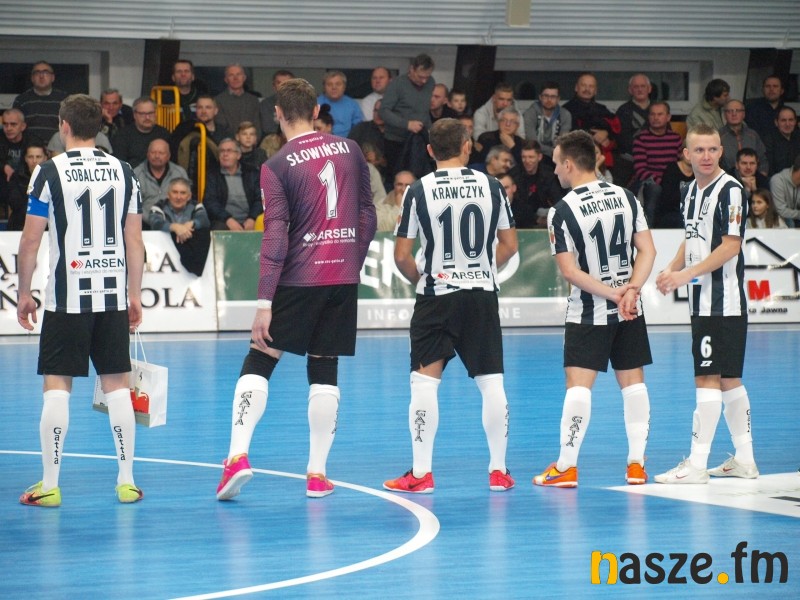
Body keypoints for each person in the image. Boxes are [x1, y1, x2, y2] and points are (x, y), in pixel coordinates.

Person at [215, 78, 376, 501]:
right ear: (317, 112)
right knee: (325, 369)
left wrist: (264, 301)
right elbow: (368, 215)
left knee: (261, 355)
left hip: (299, 277)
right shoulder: (351, 150)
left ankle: (237, 457)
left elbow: (275, 235)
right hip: (341, 277)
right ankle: (317, 474)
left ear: (278, 115)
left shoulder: (277, 164)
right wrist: (351, 263)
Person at [16, 93, 145, 507]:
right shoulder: (125, 172)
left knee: (57, 387)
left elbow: (30, 241)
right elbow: (134, 240)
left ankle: (50, 484)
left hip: (66, 298)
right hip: (111, 298)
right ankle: (127, 481)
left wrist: (23, 292)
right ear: (99, 127)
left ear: (63, 126)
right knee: (118, 387)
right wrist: (134, 294)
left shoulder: (48, 171)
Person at [383, 118, 518, 494]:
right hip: (481, 296)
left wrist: (423, 279)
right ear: (467, 146)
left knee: (424, 384)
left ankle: (421, 473)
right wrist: (481, 270)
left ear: (430, 151)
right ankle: (498, 471)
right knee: (491, 383)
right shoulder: (492, 186)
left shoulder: (418, 190)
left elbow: (402, 255)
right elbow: (510, 246)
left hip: (437, 296)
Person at [533, 129, 656, 488]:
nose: (556, 170)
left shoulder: (561, 211)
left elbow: (570, 272)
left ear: (570, 164)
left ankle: (567, 466)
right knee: (633, 384)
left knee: (578, 386)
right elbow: (648, 250)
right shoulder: (626, 197)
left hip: (589, 311)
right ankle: (636, 465)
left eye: (557, 164)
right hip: (630, 308)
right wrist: (631, 290)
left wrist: (614, 294)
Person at [655, 123, 757, 484]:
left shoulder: (731, 190)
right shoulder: (689, 191)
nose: (707, 156)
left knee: (707, 378)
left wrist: (685, 275)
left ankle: (697, 466)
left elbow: (731, 246)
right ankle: (745, 460)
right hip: (703, 302)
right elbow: (692, 236)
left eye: (713, 149)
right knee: (728, 380)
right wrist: (672, 267)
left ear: (721, 152)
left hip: (721, 303)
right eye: (699, 150)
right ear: (686, 154)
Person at [379, 53, 435, 178]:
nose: (424, 81)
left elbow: (425, 109)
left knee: (420, 175)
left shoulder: (430, 82)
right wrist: (406, 124)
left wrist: (430, 131)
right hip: (396, 140)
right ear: (411, 69)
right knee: (397, 177)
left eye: (427, 77)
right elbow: (383, 111)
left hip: (420, 139)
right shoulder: (397, 84)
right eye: (421, 77)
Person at [632, 101, 683, 226]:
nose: (656, 118)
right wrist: (662, 182)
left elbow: (681, 165)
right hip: (650, 183)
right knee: (655, 189)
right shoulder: (641, 139)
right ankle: (648, 229)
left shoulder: (676, 138)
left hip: (672, 182)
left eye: (660, 114)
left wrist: (670, 184)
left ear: (668, 117)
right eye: (652, 114)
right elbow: (640, 169)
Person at [149, 177, 212, 275]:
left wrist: (190, 224)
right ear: (168, 194)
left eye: (183, 193)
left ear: (189, 196)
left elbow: (204, 220)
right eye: (175, 192)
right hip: (160, 259)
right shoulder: (158, 207)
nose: (178, 197)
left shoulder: (196, 206)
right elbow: (155, 223)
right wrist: (175, 227)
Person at [563, 73, 620, 171]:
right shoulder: (566, 110)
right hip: (577, 159)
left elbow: (617, 129)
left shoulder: (602, 109)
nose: (587, 89)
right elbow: (568, 134)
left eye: (591, 86)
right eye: (583, 85)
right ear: (576, 88)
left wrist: (606, 133)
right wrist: (593, 136)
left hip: (605, 160)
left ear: (595, 91)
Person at [203, 138, 261, 230]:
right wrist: (228, 219)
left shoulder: (252, 173)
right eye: (222, 151)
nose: (225, 154)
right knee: (218, 227)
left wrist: (252, 218)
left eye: (229, 151)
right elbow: (210, 202)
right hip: (224, 221)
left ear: (238, 155)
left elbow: (261, 198)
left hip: (251, 220)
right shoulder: (213, 174)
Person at [133, 138, 189, 228]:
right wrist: (155, 222)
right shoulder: (136, 174)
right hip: (144, 225)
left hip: (176, 224)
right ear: (147, 154)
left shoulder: (179, 173)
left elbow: (187, 200)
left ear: (168, 156)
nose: (157, 156)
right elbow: (133, 205)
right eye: (153, 152)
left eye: (161, 153)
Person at [510, 139, 563, 228]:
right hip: (521, 221)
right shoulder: (514, 175)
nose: (527, 161)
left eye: (531, 157)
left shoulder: (549, 174)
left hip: (547, 219)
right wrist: (535, 218)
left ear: (539, 157)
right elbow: (516, 204)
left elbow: (557, 198)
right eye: (524, 157)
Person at [12, 61, 68, 143]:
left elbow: (70, 127)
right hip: (29, 148)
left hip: (58, 147)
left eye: (45, 72)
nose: (41, 76)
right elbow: (14, 128)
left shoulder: (65, 100)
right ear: (32, 78)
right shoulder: (21, 100)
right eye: (37, 73)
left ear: (53, 77)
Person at [111, 97, 170, 168]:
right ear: (134, 115)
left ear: (156, 114)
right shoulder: (122, 136)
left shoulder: (164, 134)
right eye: (142, 114)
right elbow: (119, 165)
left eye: (151, 113)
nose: (147, 117)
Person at [522, 81, 572, 159]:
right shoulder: (530, 113)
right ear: (540, 97)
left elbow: (562, 142)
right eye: (546, 96)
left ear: (558, 99)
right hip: (535, 155)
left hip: (557, 156)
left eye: (553, 96)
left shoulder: (565, 115)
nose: (549, 99)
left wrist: (556, 152)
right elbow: (532, 142)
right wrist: (551, 151)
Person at [5, 142, 48, 231]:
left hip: (46, 228)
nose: (34, 161)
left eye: (38, 157)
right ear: (25, 158)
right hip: (19, 227)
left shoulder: (53, 178)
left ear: (45, 158)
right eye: (30, 157)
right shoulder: (16, 178)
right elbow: (14, 204)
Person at [719, 99, 768, 174]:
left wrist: (761, 177)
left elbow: (763, 160)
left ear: (744, 114)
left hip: (753, 178)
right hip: (727, 178)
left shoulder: (753, 135)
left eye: (738, 111)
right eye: (730, 111)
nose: (734, 114)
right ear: (725, 115)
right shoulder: (718, 136)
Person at [214, 64, 262, 135]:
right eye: (231, 75)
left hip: (252, 141)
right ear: (226, 80)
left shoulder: (253, 100)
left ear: (244, 78)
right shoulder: (218, 100)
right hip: (228, 141)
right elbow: (221, 127)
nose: (235, 78)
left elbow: (258, 126)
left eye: (238, 74)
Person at [317, 71, 362, 138]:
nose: (334, 87)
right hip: (320, 141)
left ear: (344, 87)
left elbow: (358, 129)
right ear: (324, 87)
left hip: (347, 141)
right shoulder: (315, 104)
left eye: (338, 84)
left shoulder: (353, 105)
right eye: (329, 84)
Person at [745, 75, 784, 142]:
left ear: (782, 91)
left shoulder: (786, 111)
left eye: (775, 86)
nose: (771, 89)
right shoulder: (751, 109)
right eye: (768, 86)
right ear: (762, 90)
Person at [764, 106, 800, 176]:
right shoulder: (768, 140)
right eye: (783, 120)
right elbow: (769, 168)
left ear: (795, 122)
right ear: (776, 122)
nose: (787, 124)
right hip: (777, 179)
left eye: (791, 120)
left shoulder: (798, 137)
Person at [259, 70, 294, 137]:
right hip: (273, 140)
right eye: (279, 83)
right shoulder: (266, 104)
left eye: (287, 83)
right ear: (274, 86)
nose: (283, 86)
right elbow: (268, 128)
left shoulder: (302, 103)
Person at [769, 154, 800, 227]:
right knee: (789, 221)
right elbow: (780, 210)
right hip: (779, 218)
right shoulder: (777, 180)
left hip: (795, 217)